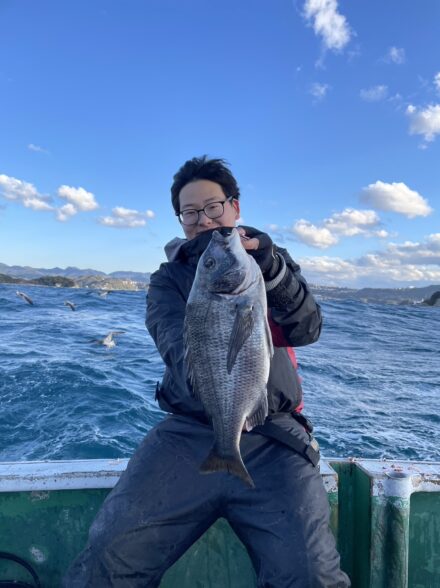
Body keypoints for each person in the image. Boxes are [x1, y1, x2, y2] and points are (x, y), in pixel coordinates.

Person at [63, 156, 350, 587]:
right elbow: (175, 348)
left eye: (213, 206)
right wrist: (214, 338)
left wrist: (273, 272)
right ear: (180, 220)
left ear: (235, 207)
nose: (203, 219)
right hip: (189, 433)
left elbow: (306, 328)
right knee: (109, 550)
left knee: (309, 574)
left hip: (275, 438)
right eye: (190, 212)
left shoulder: (270, 264)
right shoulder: (168, 280)